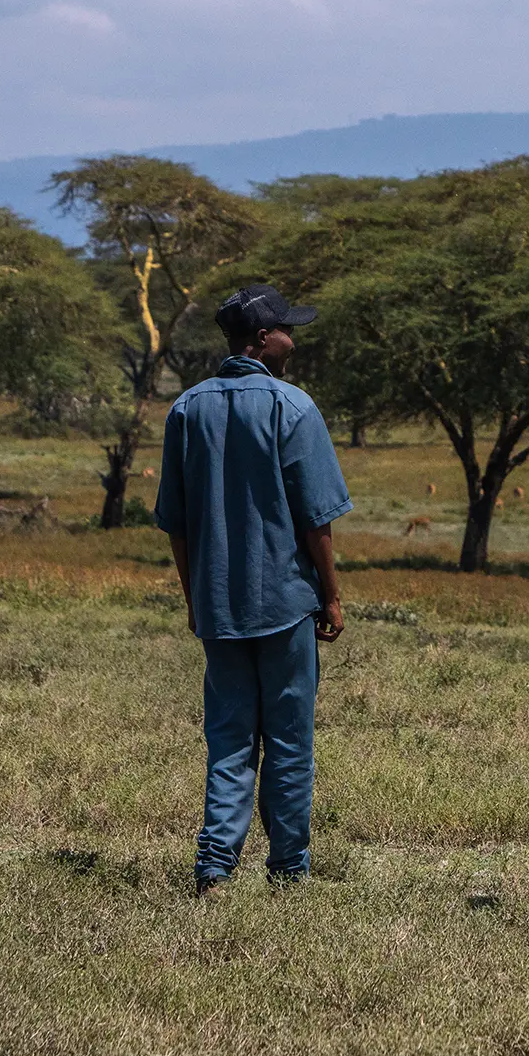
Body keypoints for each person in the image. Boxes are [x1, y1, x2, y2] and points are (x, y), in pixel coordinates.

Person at [155, 284, 353, 897]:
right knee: (290, 740)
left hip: (218, 607)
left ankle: (214, 870)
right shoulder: (293, 407)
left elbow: (178, 524)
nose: (297, 335)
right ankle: (289, 871)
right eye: (288, 328)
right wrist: (332, 594)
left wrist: (196, 599)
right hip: (287, 603)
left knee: (230, 739)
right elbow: (315, 518)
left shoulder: (187, 409)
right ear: (263, 340)